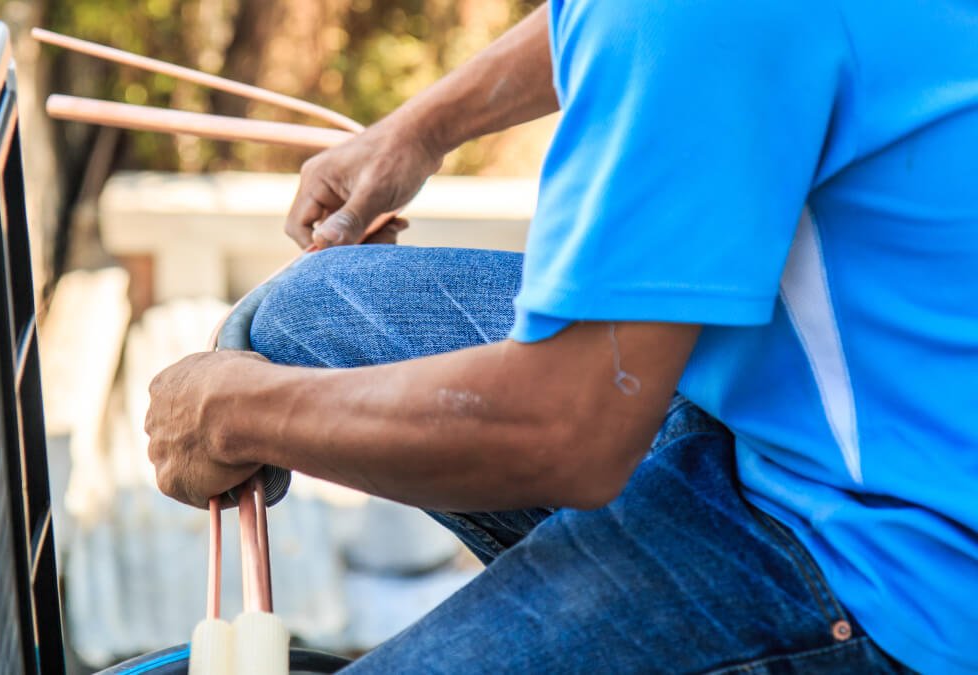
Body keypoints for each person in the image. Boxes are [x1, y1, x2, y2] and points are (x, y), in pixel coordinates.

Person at [144, 1, 978, 672]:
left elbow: (565, 431)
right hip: (821, 404)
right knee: (306, 312)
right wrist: (419, 130)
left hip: (893, 560)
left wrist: (233, 412)